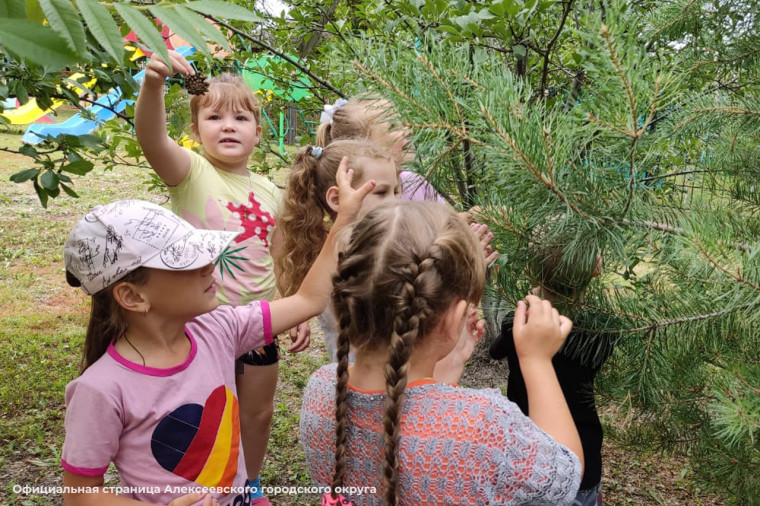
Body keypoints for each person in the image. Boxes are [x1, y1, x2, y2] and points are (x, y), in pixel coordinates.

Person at [61, 165, 373, 505]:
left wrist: (344, 220)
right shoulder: (101, 389)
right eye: (184, 261)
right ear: (133, 297)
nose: (209, 264)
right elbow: (80, 492)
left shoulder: (219, 330)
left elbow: (308, 300)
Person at [300, 201, 584, 506]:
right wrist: (536, 360)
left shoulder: (321, 390)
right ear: (452, 319)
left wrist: (445, 370)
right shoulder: (483, 424)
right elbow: (565, 476)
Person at [134, 50, 310, 504]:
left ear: (257, 132)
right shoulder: (191, 173)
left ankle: (248, 483)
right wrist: (153, 85)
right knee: (202, 408)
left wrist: (294, 306)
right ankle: (198, 483)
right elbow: (152, 140)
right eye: (213, 117)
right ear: (195, 132)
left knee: (258, 410)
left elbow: (277, 253)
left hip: (257, 322)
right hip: (202, 322)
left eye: (240, 117)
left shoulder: (270, 190)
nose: (228, 125)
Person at [275, 140, 495, 363]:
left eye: (396, 191)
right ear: (337, 199)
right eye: (381, 192)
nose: (395, 202)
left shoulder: (376, 246)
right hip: (368, 380)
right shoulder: (347, 258)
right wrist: (462, 271)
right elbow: (415, 312)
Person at [489, 232, 612, 506]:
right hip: (582, 459)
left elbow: (495, 351)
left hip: (525, 449)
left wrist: (530, 302)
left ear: (532, 270)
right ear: (596, 269)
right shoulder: (603, 328)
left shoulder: (516, 323)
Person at [317, 97, 447, 204]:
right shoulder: (355, 199)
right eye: (393, 127)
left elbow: (448, 223)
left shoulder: (415, 183)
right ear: (364, 148)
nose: (408, 131)